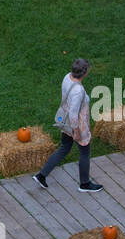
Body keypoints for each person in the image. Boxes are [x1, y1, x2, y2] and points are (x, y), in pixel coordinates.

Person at [33, 57, 103, 193]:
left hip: (64, 122)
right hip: (76, 125)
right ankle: (85, 184)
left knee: (64, 148)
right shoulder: (78, 91)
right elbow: (73, 113)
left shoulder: (67, 77)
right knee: (84, 152)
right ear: (85, 73)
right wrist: (76, 131)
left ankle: (41, 175)